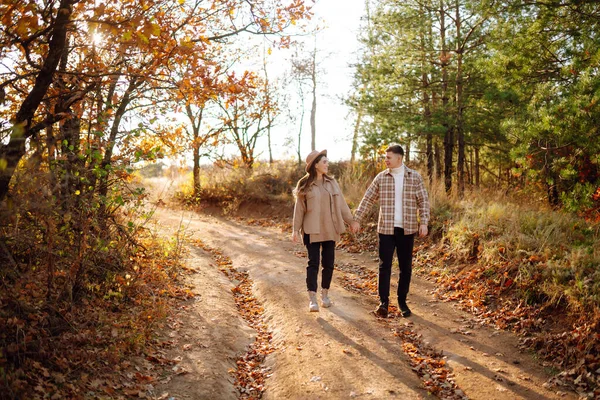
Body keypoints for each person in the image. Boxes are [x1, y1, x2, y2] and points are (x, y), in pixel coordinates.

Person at [354, 144, 430, 318]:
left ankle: (402, 302)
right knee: (384, 266)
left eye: (389, 157)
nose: (386, 160)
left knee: (405, 268)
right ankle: (383, 303)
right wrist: (357, 218)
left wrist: (424, 222)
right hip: (386, 229)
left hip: (407, 229)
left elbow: (423, 201)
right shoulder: (381, 178)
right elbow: (368, 199)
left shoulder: (414, 177)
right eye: (385, 157)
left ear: (399, 158)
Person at [292, 149, 360, 312]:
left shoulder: (332, 183)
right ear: (315, 165)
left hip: (330, 228)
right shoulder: (305, 185)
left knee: (328, 264)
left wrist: (351, 221)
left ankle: (325, 295)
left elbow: (342, 204)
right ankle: (312, 299)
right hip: (311, 230)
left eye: (327, 161)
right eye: (324, 162)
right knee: (313, 263)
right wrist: (295, 229)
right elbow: (299, 209)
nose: (327, 164)